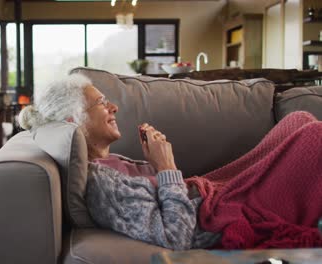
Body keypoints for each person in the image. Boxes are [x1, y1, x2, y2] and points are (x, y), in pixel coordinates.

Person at [18, 73, 322, 250]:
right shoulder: (101, 182)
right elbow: (174, 235)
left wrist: (154, 163)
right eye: (100, 103)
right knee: (314, 138)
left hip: (209, 193)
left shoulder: (108, 163)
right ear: (76, 120)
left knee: (298, 120)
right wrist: (166, 168)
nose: (112, 106)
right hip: (211, 216)